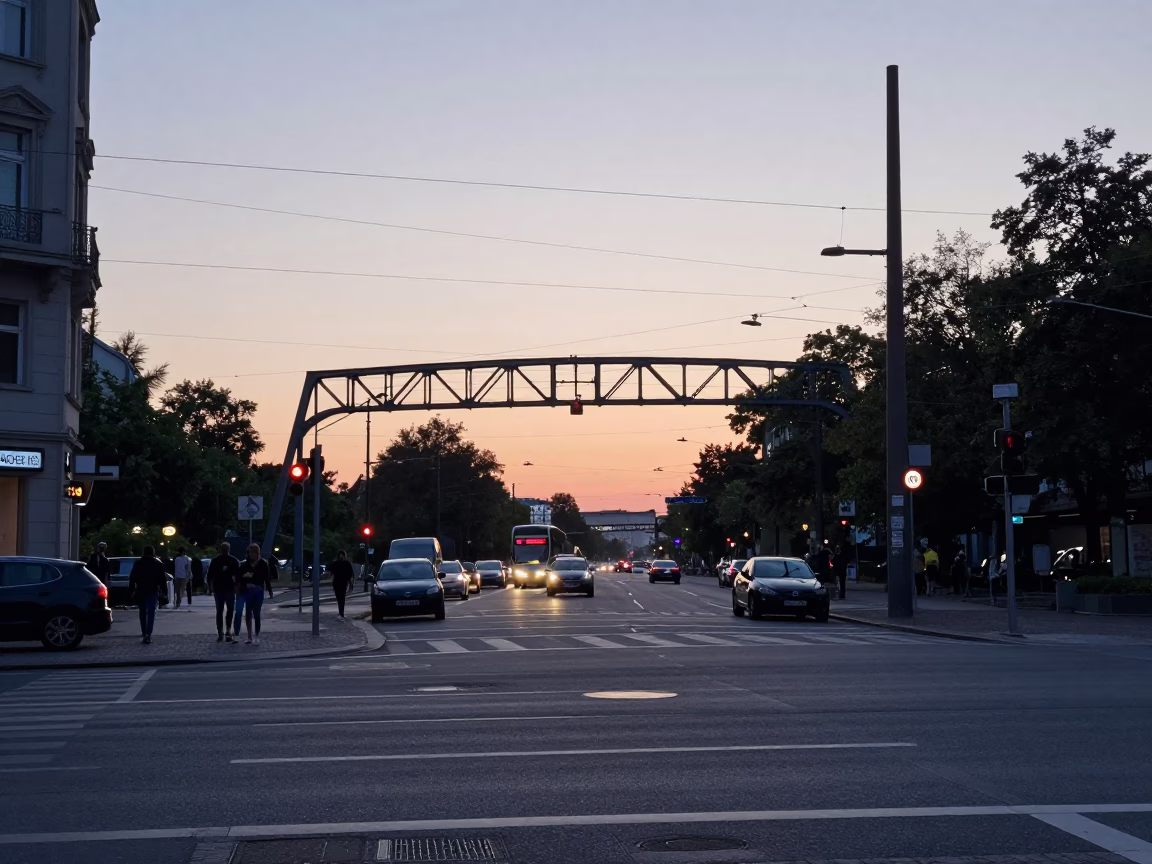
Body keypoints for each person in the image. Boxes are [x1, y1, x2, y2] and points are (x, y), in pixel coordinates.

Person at [234, 543, 274, 645]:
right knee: (248, 612)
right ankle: (249, 636)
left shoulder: (263, 564)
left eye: (252, 552)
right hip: (248, 588)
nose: (250, 554)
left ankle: (256, 635)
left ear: (257, 553)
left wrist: (269, 590)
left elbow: (266, 578)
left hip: (258, 588)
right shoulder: (245, 564)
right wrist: (244, 579)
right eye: (249, 552)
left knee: (256, 613)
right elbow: (239, 577)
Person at [128, 546, 166, 644]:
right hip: (153, 590)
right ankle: (148, 634)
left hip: (141, 590)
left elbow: (132, 577)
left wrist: (131, 590)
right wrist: (164, 591)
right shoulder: (157, 564)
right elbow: (162, 579)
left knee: (142, 612)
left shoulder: (138, 563)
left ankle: (144, 631)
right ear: (153, 552)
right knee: (151, 612)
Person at [207, 542, 241, 643]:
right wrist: (210, 587)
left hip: (227, 589)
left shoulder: (231, 560)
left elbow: (238, 575)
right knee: (222, 611)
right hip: (221, 589)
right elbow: (210, 576)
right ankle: (222, 632)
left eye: (225, 548)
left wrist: (237, 586)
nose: (224, 550)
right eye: (224, 548)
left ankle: (226, 631)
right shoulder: (218, 561)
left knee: (226, 610)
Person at [329, 550, 356, 618]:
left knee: (342, 598)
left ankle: (341, 612)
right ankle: (340, 611)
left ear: (344, 556)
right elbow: (331, 573)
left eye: (342, 555)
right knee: (339, 598)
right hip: (336, 583)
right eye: (340, 555)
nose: (341, 557)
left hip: (343, 583)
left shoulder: (347, 564)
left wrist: (350, 583)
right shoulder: (335, 564)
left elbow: (350, 574)